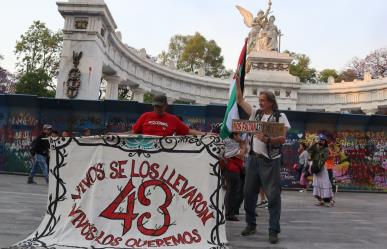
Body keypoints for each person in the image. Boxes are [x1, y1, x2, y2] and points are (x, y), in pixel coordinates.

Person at [235, 74, 290, 244]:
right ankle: (251, 224)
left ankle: (273, 230)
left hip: (270, 161)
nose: (260, 103)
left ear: (271, 102)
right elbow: (239, 100)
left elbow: (282, 139)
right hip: (253, 159)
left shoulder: (280, 117)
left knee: (273, 196)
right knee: (248, 193)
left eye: (263, 100)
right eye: (259, 100)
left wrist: (267, 139)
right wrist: (237, 83)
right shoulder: (256, 114)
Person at [132, 95, 207, 136]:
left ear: (165, 105)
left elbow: (188, 131)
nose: (158, 108)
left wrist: (205, 134)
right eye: (156, 106)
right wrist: (120, 136)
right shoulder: (145, 116)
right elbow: (133, 132)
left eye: (160, 106)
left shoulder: (173, 119)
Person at [223, 133, 247, 221]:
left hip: (233, 168)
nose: (240, 137)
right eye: (239, 135)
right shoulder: (232, 143)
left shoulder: (228, 141)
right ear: (235, 136)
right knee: (232, 191)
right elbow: (241, 154)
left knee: (231, 191)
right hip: (232, 169)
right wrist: (243, 144)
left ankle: (229, 212)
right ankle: (229, 214)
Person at [308, 135, 334, 207]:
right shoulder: (315, 148)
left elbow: (324, 158)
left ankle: (331, 201)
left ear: (325, 142)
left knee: (326, 184)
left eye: (322, 140)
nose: (321, 141)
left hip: (321, 169)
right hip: (316, 169)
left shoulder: (326, 149)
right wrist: (314, 144)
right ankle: (321, 201)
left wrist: (318, 166)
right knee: (317, 185)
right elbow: (309, 150)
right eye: (320, 140)